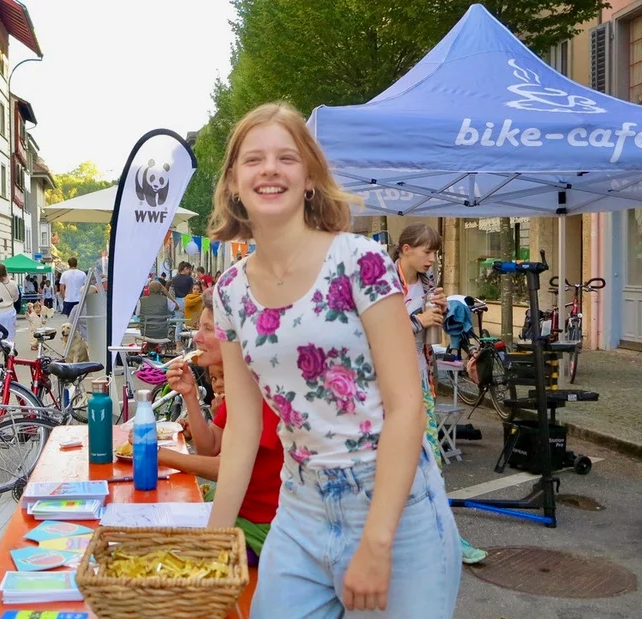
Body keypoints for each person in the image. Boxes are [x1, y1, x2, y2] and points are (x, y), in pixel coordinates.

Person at [206, 102, 460, 618]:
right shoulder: (230, 290)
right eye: (254, 160)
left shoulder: (358, 260)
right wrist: (213, 540)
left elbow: (407, 406)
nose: (270, 169)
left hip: (396, 506)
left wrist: (377, 542)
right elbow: (243, 426)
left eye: (287, 158)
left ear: (310, 179)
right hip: (299, 507)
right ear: (233, 182)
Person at [161, 288, 282, 566]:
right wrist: (190, 394)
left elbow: (227, 468)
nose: (197, 337)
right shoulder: (242, 381)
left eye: (207, 328)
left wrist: (164, 457)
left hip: (261, 528)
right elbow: (210, 444)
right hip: (240, 513)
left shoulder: (262, 387)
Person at [394, 223, 487, 565]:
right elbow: (376, 332)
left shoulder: (427, 283)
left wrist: (442, 314)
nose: (432, 259)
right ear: (405, 249)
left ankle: (445, 535)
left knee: (429, 460)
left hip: (420, 381)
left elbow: (430, 330)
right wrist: (419, 319)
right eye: (426, 252)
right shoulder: (385, 284)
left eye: (435, 252)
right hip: (389, 386)